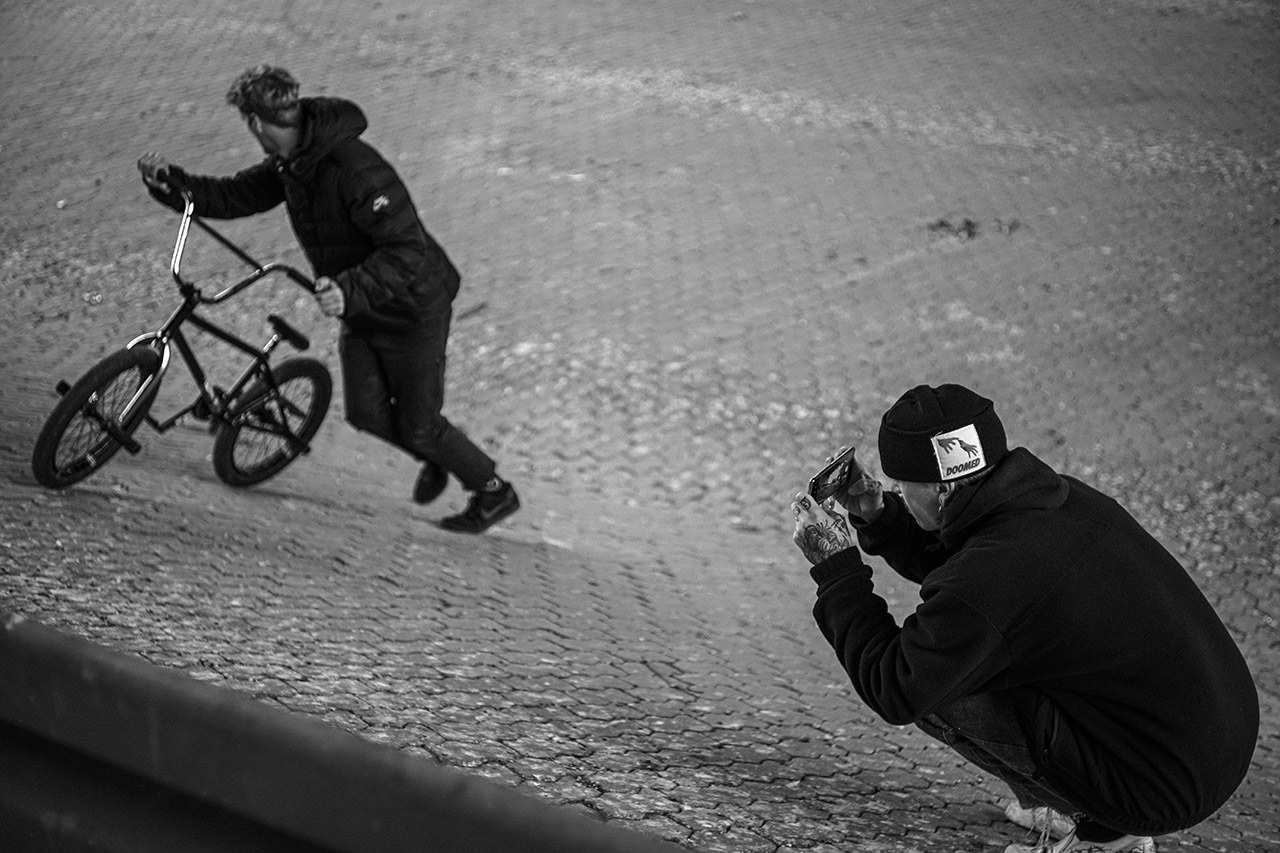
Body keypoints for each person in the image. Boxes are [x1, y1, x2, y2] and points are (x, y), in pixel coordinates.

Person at [790, 383, 1258, 853]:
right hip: (1217, 739)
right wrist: (880, 515)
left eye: (899, 485)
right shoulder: (1054, 500)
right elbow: (971, 578)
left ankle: (1105, 832)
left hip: (1160, 788)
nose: (893, 490)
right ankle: (1090, 799)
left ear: (943, 486)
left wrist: (837, 571)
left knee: (939, 686)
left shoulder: (999, 570)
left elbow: (895, 686)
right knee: (972, 648)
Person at [138, 65, 518, 533]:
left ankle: (494, 491)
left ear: (255, 123)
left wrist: (347, 289)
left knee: (420, 424)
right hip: (360, 308)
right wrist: (174, 186)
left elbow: (408, 249)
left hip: (413, 310)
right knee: (365, 413)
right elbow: (237, 195)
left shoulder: (356, 169)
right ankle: (435, 453)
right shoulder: (293, 162)